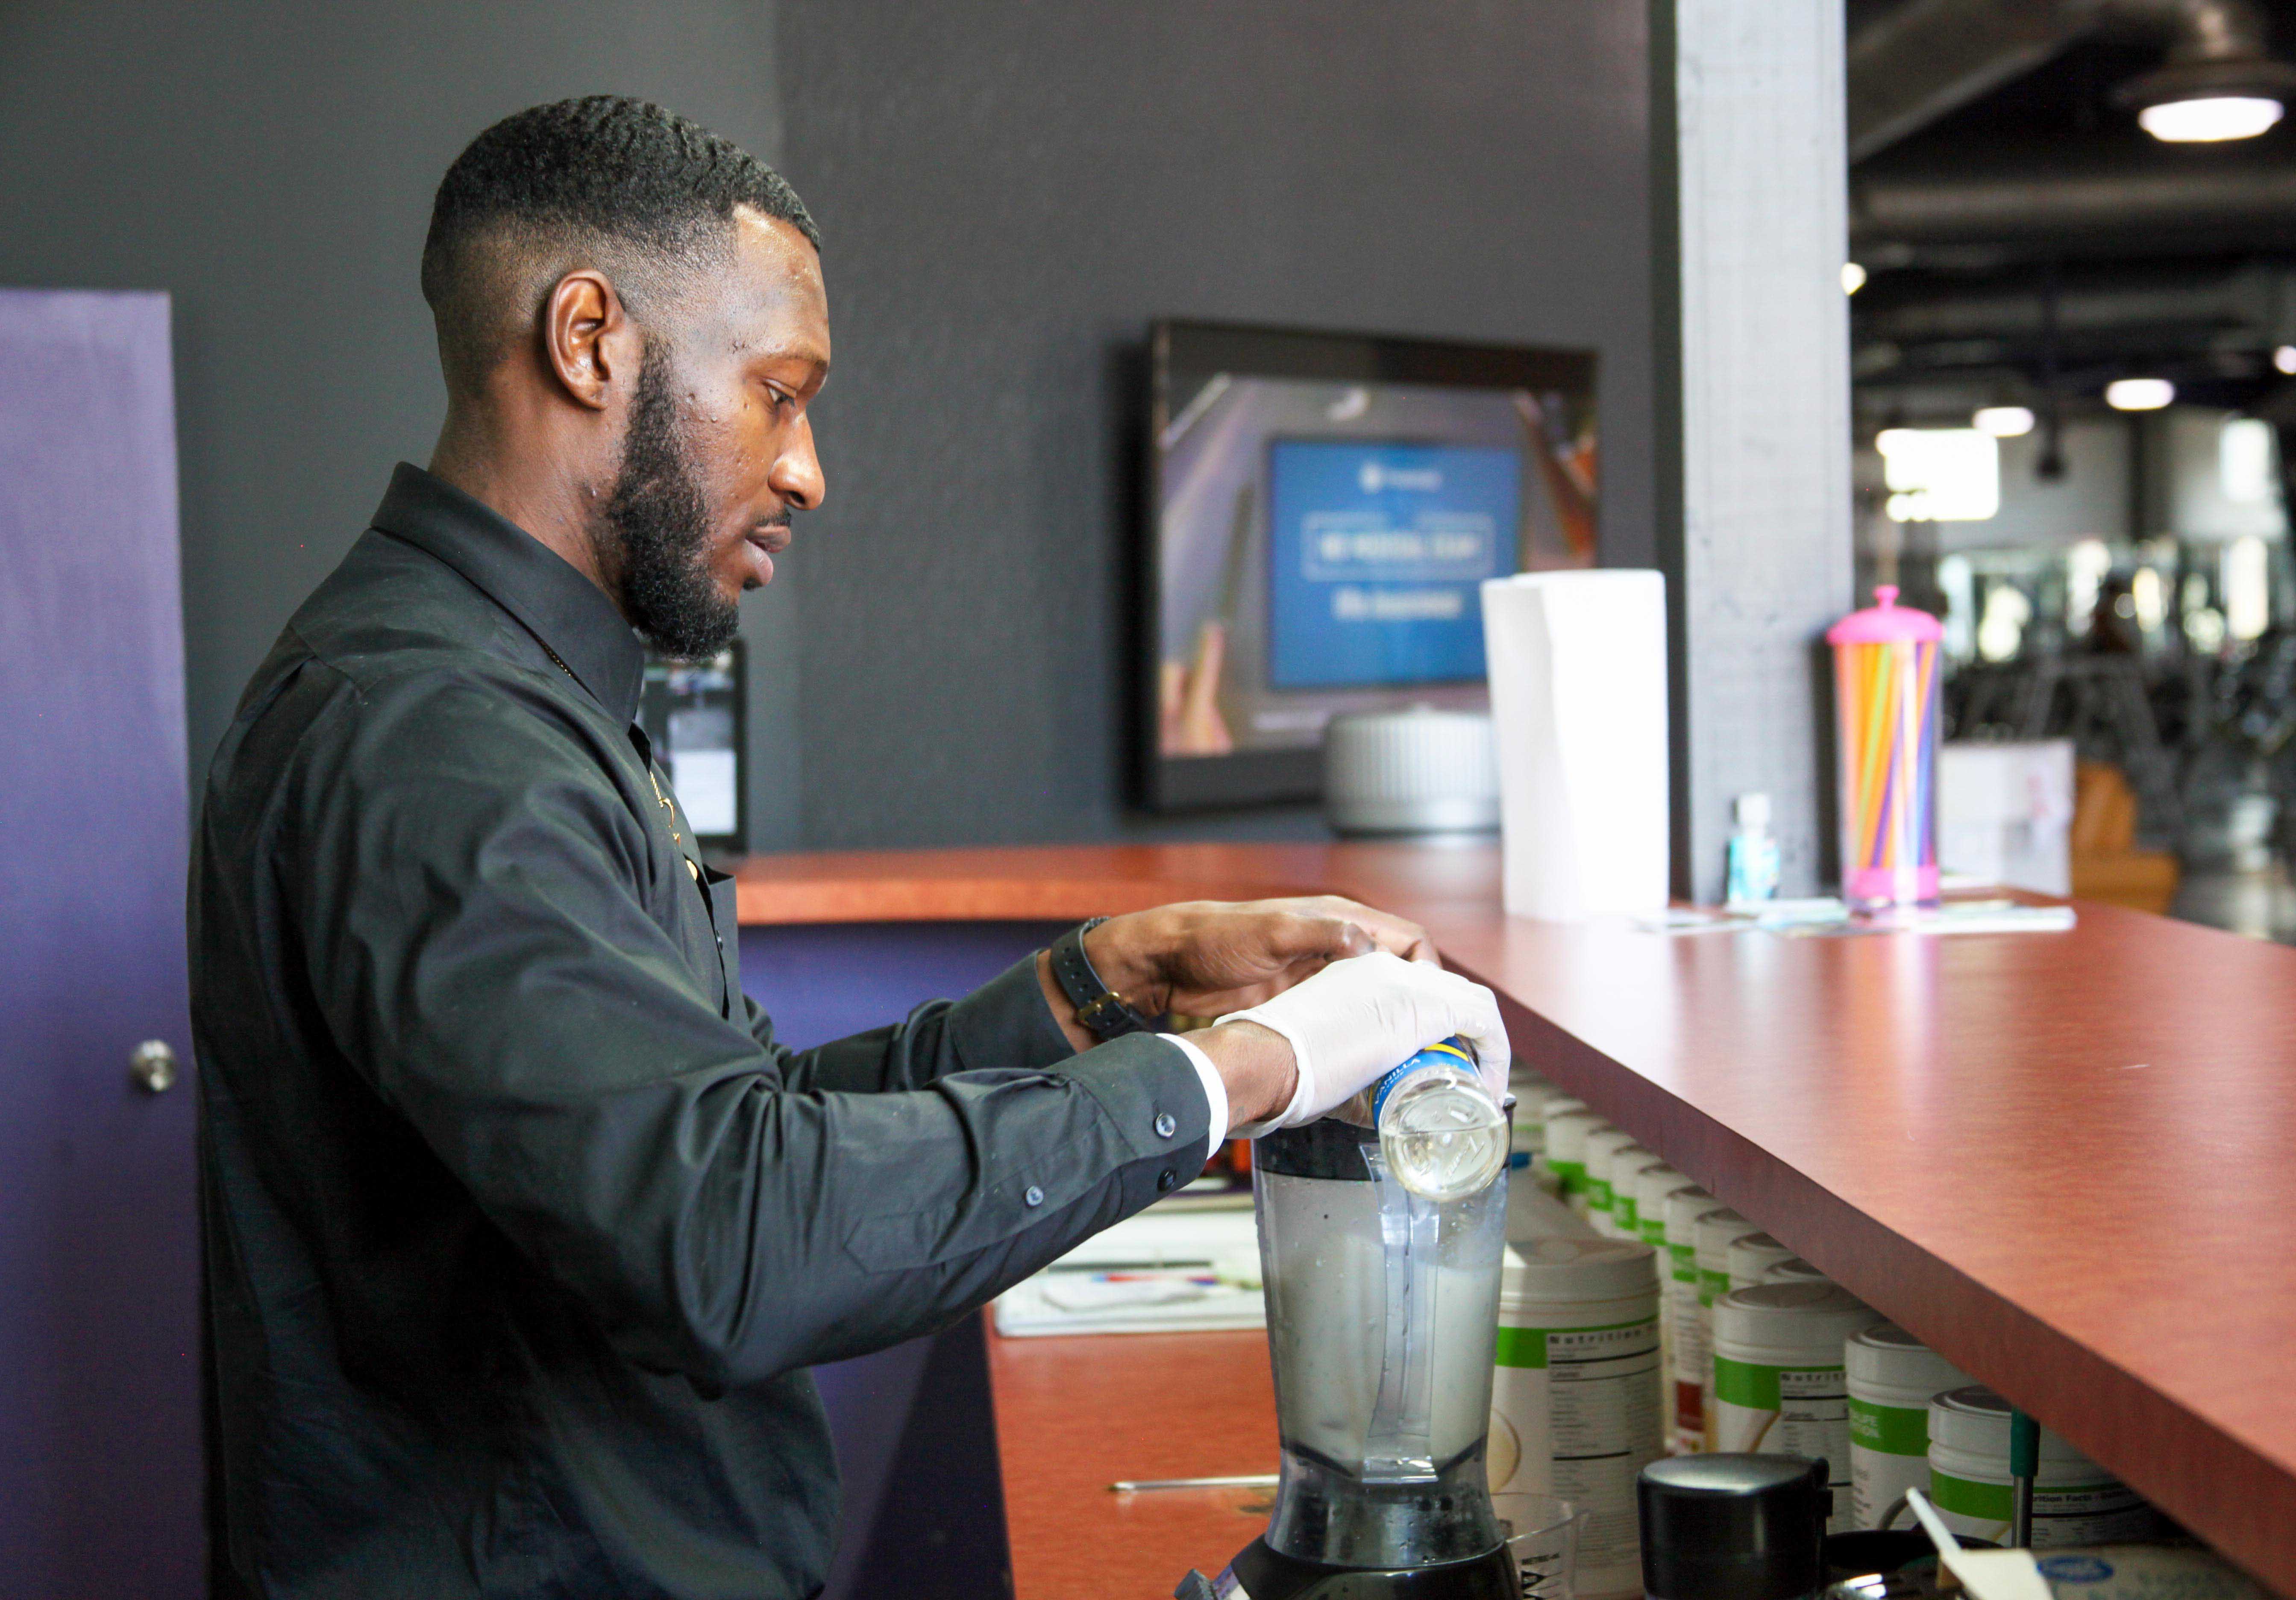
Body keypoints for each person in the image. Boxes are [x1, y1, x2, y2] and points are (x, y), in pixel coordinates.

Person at [187, 96, 1509, 1600]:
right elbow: (732, 1235)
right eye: (778, 392)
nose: (809, 471)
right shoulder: (434, 740)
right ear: (589, 341)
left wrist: (1100, 988)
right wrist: (1249, 1073)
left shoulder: (514, 702)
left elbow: (711, 1136)